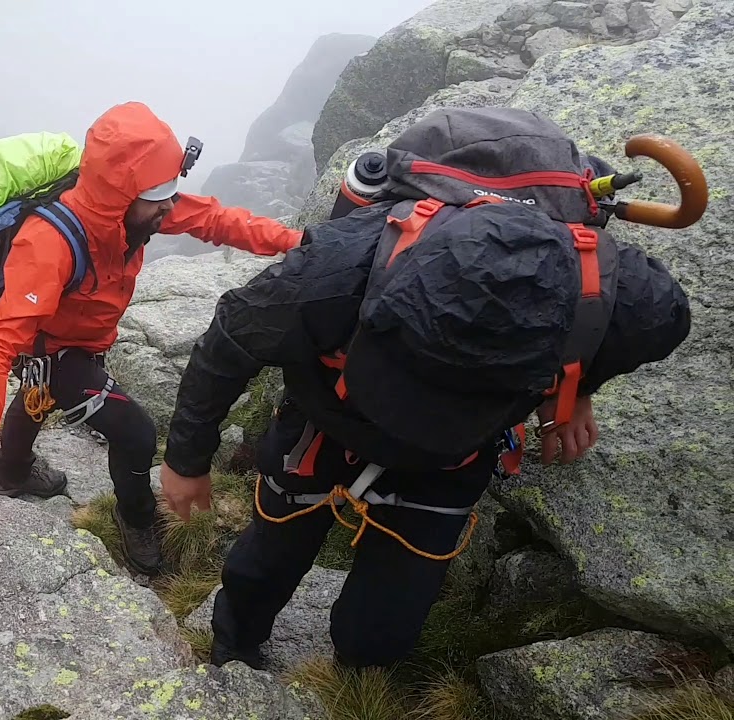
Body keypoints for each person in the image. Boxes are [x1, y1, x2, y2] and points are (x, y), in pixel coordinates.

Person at [157, 107, 693, 669]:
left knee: (381, 630)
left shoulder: (621, 299)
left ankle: (358, 670)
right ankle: (235, 645)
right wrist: (186, 461)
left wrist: (576, 388)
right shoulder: (336, 275)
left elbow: (663, 321)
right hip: (339, 422)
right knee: (265, 562)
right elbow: (231, 336)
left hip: (427, 443)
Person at [0, 101, 303, 575]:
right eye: (159, 196)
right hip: (55, 347)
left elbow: (214, 220)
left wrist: (300, 244)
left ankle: (12, 473)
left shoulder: (136, 212)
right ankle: (136, 518)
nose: (170, 205)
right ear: (121, 195)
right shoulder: (49, 243)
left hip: (77, 338)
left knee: (37, 394)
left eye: (171, 190)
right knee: (136, 433)